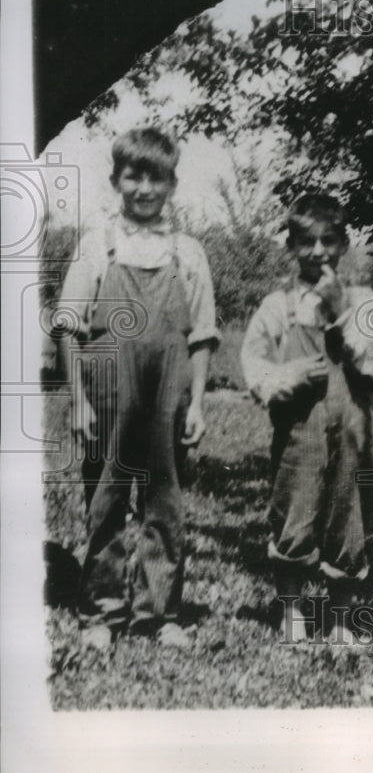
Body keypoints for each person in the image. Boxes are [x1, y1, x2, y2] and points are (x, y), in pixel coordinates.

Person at [56, 127, 219, 650]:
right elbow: (68, 327)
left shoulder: (187, 252)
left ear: (172, 183)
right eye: (134, 176)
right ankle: (102, 612)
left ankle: (160, 612)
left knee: (163, 502)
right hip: (107, 397)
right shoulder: (97, 245)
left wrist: (196, 402)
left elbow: (202, 335)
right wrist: (78, 401)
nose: (145, 188)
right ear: (116, 180)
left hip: (166, 397)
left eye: (157, 177)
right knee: (105, 499)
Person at [241, 193, 373, 643]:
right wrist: (289, 375)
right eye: (307, 242)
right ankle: (292, 614)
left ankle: (341, 617)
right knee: (294, 512)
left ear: (344, 244)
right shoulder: (277, 305)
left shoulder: (362, 300)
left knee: (346, 514)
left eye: (328, 241)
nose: (318, 252)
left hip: (350, 429)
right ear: (290, 246)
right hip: (299, 430)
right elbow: (253, 365)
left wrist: (341, 307)